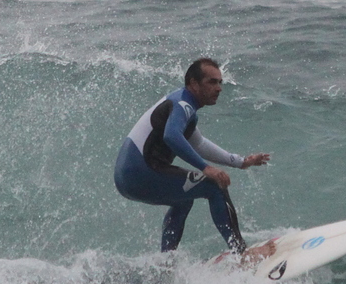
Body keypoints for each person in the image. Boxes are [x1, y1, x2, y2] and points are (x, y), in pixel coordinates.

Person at [114, 57, 271, 254]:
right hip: (141, 172)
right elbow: (171, 136)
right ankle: (242, 253)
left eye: (220, 82)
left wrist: (241, 162)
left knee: (183, 199)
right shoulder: (182, 103)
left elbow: (199, 144)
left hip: (127, 178)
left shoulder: (183, 107)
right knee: (214, 186)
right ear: (193, 84)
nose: (219, 88)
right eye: (212, 82)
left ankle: (166, 263)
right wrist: (206, 168)